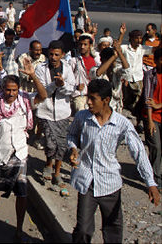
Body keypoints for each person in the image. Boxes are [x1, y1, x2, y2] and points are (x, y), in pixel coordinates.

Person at [68, 79, 160, 243]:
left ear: (106, 100)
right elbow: (72, 135)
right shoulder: (83, 117)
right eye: (88, 97)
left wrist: (150, 182)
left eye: (92, 98)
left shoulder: (121, 124)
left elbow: (138, 151)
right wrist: (74, 149)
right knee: (83, 229)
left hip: (110, 183)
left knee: (113, 229)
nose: (88, 102)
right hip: (86, 181)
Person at [0, 58, 47, 241]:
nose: (11, 94)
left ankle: (18, 228)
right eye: (8, 90)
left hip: (20, 152)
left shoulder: (25, 100)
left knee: (22, 190)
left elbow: (43, 95)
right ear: (3, 89)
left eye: (14, 90)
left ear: (19, 90)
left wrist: (33, 75)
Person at [35, 41, 75, 185]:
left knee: (61, 144)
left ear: (62, 55)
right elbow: (42, 91)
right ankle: (48, 164)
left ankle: (57, 172)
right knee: (51, 143)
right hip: (46, 111)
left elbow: (71, 89)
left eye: (56, 55)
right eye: (51, 54)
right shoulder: (41, 68)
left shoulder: (68, 69)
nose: (53, 57)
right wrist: (54, 85)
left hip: (63, 112)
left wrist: (62, 85)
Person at [143, 47, 162, 189]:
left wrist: (158, 105)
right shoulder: (150, 75)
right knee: (155, 146)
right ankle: (155, 178)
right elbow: (148, 100)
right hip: (152, 117)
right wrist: (149, 120)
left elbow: (154, 103)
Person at [70, 35, 99, 113]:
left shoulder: (96, 60)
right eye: (80, 44)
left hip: (93, 94)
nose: (82, 47)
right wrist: (75, 87)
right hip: (80, 95)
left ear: (90, 45)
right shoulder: (74, 61)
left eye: (85, 44)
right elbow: (68, 78)